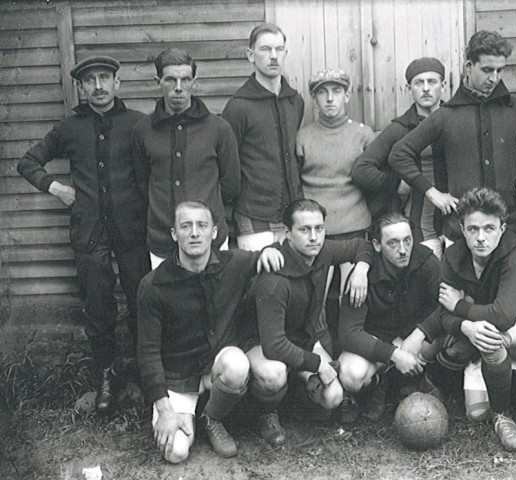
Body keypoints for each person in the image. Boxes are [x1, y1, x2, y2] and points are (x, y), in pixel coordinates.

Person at [17, 55, 150, 415]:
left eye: (105, 78)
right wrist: (56, 188)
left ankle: (145, 376)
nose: (98, 86)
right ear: (81, 87)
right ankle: (106, 376)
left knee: (142, 300)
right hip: (89, 232)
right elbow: (27, 162)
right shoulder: (69, 128)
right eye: (90, 80)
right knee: (98, 306)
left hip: (133, 231)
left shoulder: (139, 124)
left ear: (117, 83)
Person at [136, 201, 283, 463]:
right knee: (176, 453)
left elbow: (274, 253)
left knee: (237, 363)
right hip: (178, 376)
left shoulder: (233, 263)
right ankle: (187, 414)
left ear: (214, 232)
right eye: (186, 226)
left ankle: (212, 418)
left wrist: (270, 251)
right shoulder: (153, 285)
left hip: (218, 368)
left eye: (201, 225)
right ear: (174, 234)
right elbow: (147, 352)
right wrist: (164, 409)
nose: (194, 233)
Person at [402, 188, 516, 451]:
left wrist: (460, 306)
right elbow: (444, 312)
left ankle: (502, 415)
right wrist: (464, 325)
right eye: (473, 229)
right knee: (474, 411)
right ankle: (435, 381)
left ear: (503, 227)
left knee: (490, 336)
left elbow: (504, 316)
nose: (481, 238)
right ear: (462, 228)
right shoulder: (453, 256)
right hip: (472, 330)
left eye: (489, 228)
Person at [389, 31, 516, 246]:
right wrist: (433, 193)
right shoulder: (445, 115)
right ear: (469, 67)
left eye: (500, 70)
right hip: (461, 234)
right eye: (487, 70)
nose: (494, 78)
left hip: (512, 228)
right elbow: (399, 154)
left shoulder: (515, 108)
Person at [242, 199, 373, 446]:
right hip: (261, 344)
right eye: (304, 230)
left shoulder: (323, 252)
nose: (314, 237)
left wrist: (360, 270)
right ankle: (264, 412)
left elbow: (362, 246)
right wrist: (317, 364)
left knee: (333, 396)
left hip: (302, 340)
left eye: (319, 228)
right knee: (274, 374)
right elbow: (274, 345)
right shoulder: (274, 275)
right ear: (287, 234)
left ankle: (293, 399)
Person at [132, 48, 240, 268]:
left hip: (211, 241)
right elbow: (142, 183)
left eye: (185, 80)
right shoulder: (143, 130)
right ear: (158, 81)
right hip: (162, 239)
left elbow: (231, 185)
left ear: (194, 82)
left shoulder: (219, 128)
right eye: (171, 80)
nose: (179, 88)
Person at [337, 213, 441, 422]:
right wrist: (392, 354)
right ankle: (379, 384)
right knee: (351, 374)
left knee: (444, 335)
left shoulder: (426, 261)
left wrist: (420, 333)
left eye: (407, 240)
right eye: (393, 243)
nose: (403, 250)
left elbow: (448, 305)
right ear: (376, 245)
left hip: (413, 339)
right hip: (379, 344)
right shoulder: (362, 274)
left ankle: (418, 381)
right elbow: (348, 333)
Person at [351, 58, 448, 257]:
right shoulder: (400, 129)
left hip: (458, 223)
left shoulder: (457, 121)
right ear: (409, 89)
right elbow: (362, 169)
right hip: (421, 227)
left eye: (432, 82)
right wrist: (396, 183)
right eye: (419, 83)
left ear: (443, 85)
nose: (426, 89)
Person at [222, 23, 305, 251]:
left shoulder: (294, 101)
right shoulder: (238, 107)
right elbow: (227, 165)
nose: (274, 56)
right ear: (251, 55)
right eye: (266, 49)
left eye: (279, 49)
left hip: (292, 212)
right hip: (254, 213)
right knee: (262, 282)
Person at [296, 68, 376, 304]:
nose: (330, 98)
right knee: (315, 302)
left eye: (337, 91)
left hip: (354, 230)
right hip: (316, 233)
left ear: (347, 96)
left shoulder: (363, 135)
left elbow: (377, 182)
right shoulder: (303, 137)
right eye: (323, 92)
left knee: (352, 298)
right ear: (314, 98)